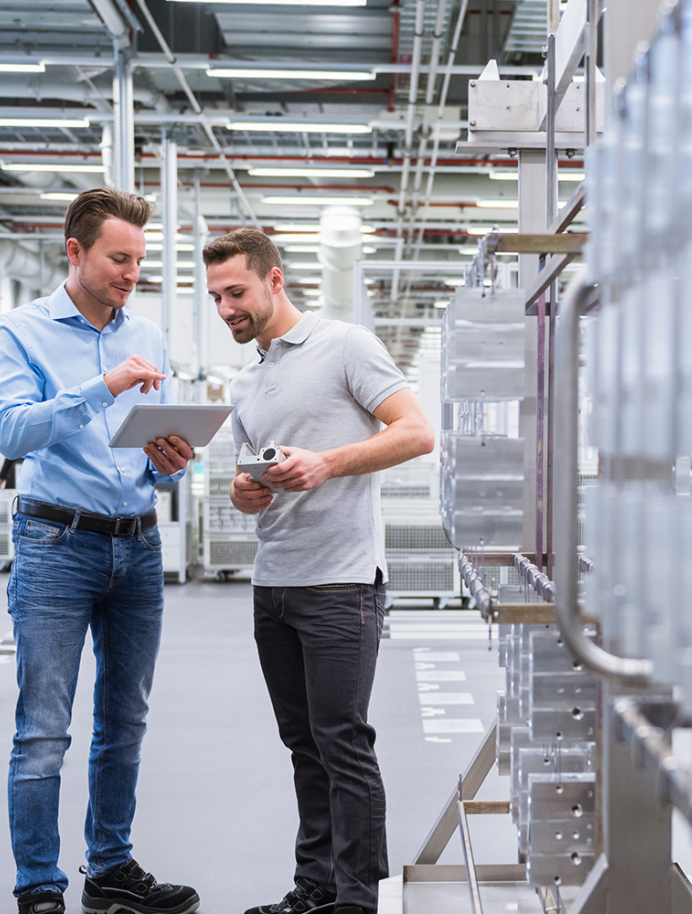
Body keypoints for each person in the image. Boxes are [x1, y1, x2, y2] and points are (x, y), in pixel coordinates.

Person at [0, 187, 200, 914]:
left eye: (139, 259)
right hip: (56, 543)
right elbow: (9, 434)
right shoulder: (21, 332)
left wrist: (171, 461)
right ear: (74, 252)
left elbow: (148, 449)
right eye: (118, 257)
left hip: (137, 545)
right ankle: (39, 884)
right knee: (44, 726)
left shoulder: (151, 334)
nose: (131, 272)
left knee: (126, 720)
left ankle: (110, 866)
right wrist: (99, 387)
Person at [210, 229, 435, 914]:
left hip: (339, 584)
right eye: (217, 297)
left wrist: (329, 461)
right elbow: (247, 479)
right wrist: (243, 493)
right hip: (273, 583)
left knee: (343, 742)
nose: (226, 309)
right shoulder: (247, 377)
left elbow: (416, 431)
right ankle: (316, 888)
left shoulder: (344, 346)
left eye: (237, 293)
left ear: (275, 281)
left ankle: (357, 900)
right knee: (304, 744)